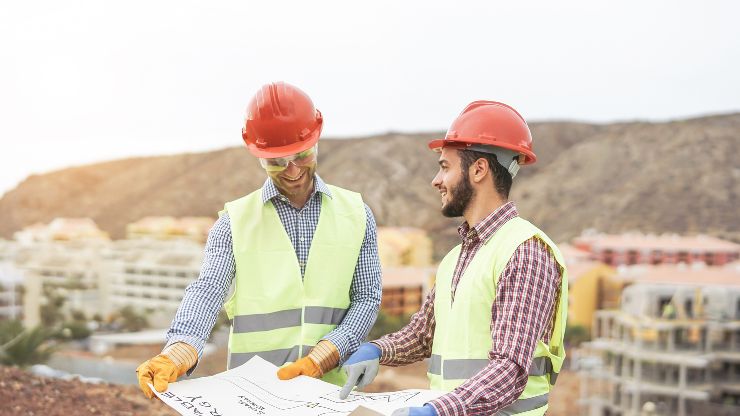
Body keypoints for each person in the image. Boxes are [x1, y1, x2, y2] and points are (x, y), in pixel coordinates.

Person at [136, 82, 382, 398]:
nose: (292, 171)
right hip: (252, 397)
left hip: (326, 395)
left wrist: (324, 356)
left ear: (316, 141)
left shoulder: (357, 214)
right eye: (277, 161)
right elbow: (208, 289)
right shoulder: (233, 222)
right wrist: (179, 351)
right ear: (258, 156)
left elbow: (366, 298)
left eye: (301, 156)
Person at [339, 101, 568, 416]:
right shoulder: (455, 258)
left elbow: (510, 369)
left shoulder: (524, 251)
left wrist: (437, 411)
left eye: (445, 166)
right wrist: (378, 350)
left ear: (478, 170)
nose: (436, 180)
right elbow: (424, 334)